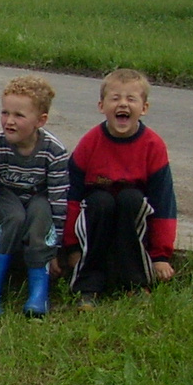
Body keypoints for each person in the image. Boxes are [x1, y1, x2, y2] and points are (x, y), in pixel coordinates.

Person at [62, 68, 177, 307]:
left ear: (144, 108)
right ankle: (88, 285)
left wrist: (161, 255)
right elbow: (71, 196)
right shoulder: (90, 143)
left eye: (131, 99)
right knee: (100, 201)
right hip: (97, 211)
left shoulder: (153, 146)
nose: (122, 104)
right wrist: (70, 246)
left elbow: (164, 202)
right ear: (101, 106)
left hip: (132, 215)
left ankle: (134, 284)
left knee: (131, 198)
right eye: (115, 98)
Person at [0, 75, 70, 319]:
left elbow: (59, 199)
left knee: (41, 213)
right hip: (7, 196)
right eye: (5, 113)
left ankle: (39, 292)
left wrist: (57, 247)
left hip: (38, 196)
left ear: (41, 120)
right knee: (14, 216)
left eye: (19, 115)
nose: (9, 121)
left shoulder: (54, 152)